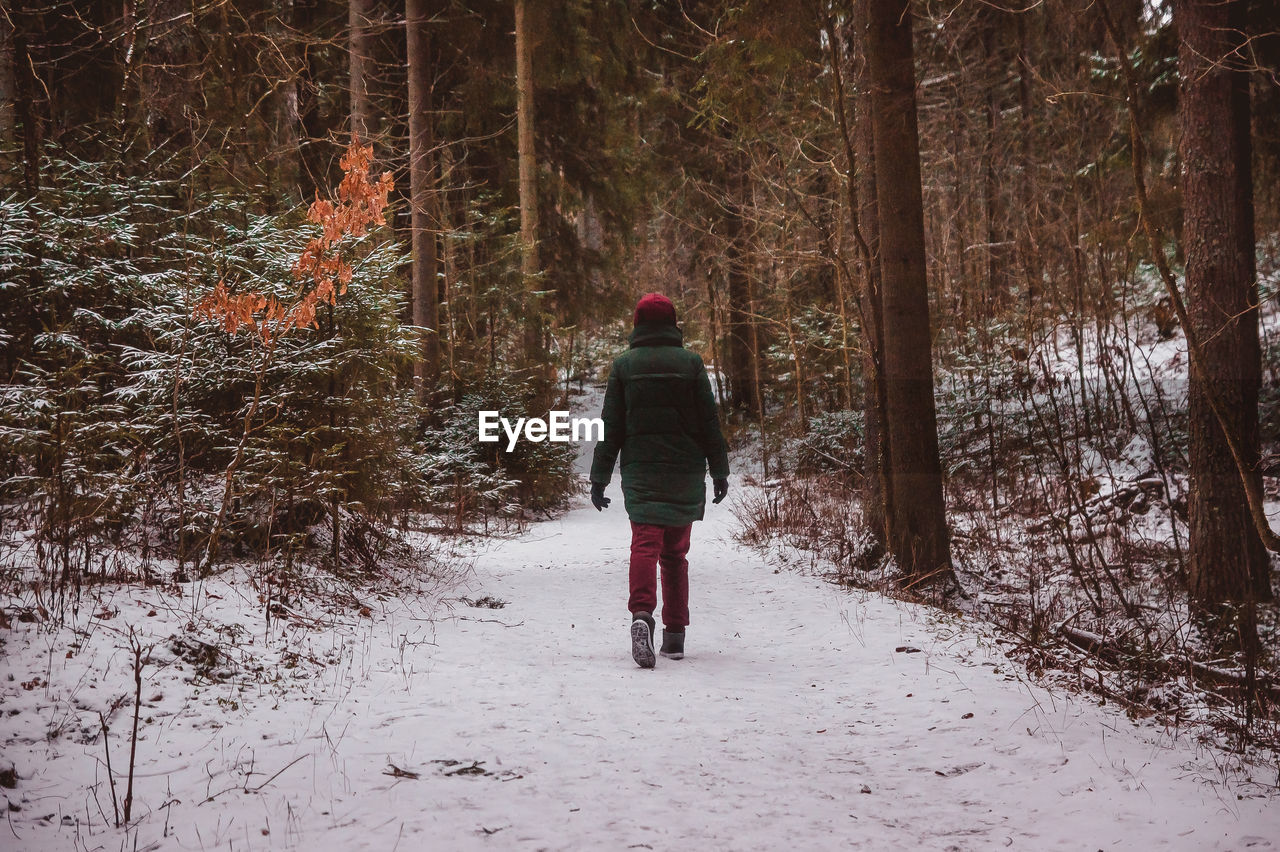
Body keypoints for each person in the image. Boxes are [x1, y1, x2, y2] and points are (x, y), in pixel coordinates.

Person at [589, 292, 730, 669]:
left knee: (644, 545)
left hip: (642, 471)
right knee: (675, 555)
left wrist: (599, 478)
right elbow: (709, 423)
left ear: (638, 324)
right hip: (684, 471)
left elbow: (611, 428)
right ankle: (675, 636)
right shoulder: (691, 364)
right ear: (672, 324)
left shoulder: (624, 366)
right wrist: (719, 470)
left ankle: (641, 615)